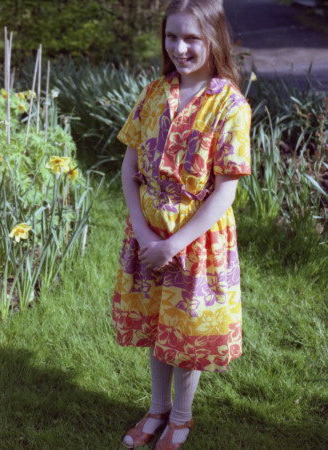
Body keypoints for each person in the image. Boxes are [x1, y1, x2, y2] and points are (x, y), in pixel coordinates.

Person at [112, 0, 251, 448]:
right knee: (157, 323)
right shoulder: (155, 92)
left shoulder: (230, 104)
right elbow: (129, 167)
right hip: (148, 232)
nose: (180, 47)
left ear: (214, 39)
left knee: (185, 331)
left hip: (197, 240)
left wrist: (173, 244)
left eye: (192, 38)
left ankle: (182, 417)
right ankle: (157, 409)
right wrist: (145, 231)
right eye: (172, 36)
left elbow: (225, 191)